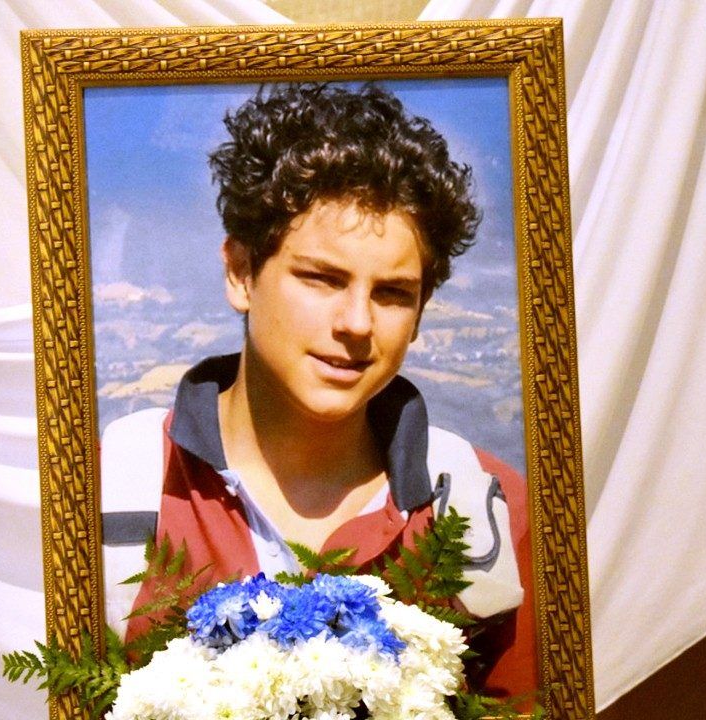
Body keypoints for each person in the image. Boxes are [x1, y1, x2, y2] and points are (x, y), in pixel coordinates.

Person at [103, 83, 535, 698]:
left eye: (392, 293)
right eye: (322, 279)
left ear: (421, 310)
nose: (357, 323)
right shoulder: (112, 492)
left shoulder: (485, 510)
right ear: (241, 272)